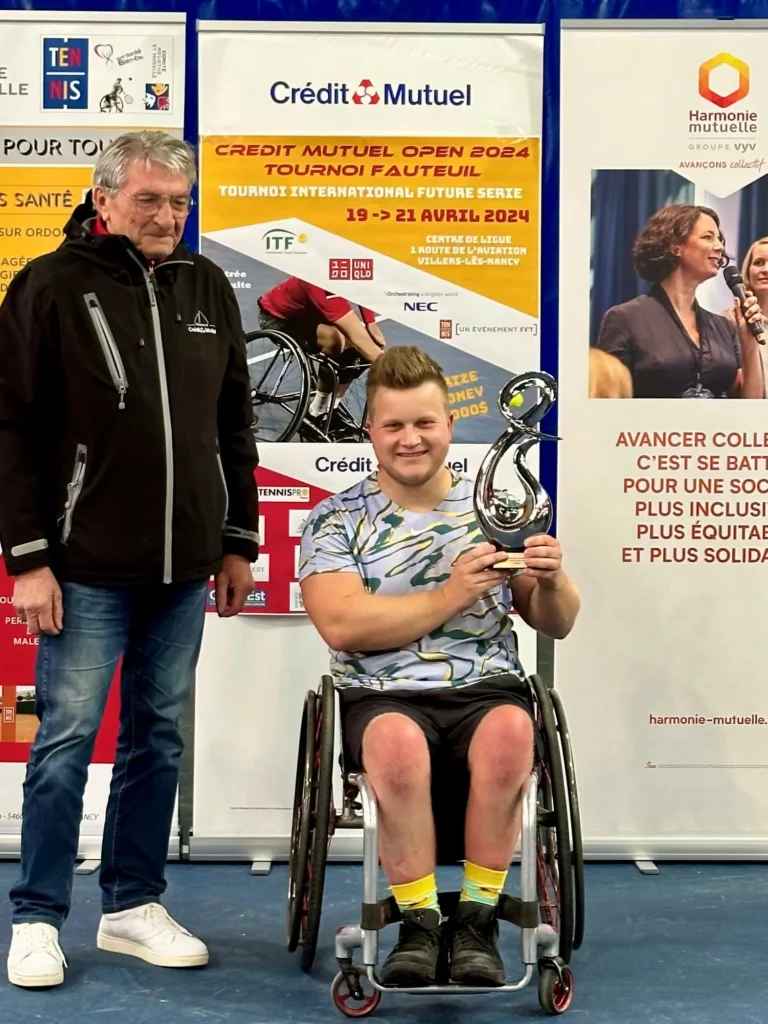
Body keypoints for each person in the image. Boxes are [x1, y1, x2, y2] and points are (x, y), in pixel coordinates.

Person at [0, 130, 260, 988]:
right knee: (68, 740)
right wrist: (28, 558)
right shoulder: (48, 286)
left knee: (160, 737)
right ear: (104, 199)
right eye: (149, 199)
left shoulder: (206, 286)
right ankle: (37, 917)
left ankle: (131, 905)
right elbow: (12, 431)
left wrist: (236, 539)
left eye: (179, 202)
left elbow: (234, 426)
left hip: (185, 569)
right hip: (81, 566)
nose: (166, 216)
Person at [298, 346, 580, 988]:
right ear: (369, 429)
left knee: (514, 733)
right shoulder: (335, 517)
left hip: (485, 686)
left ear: (450, 425)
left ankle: (477, 922)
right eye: (393, 425)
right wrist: (451, 594)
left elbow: (556, 619)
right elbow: (342, 624)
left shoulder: (498, 510)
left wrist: (552, 577)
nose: (410, 439)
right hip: (382, 691)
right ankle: (421, 925)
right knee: (395, 746)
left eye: (424, 422)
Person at [595, 203, 764, 399]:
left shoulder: (724, 327)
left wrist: (749, 344)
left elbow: (749, 404)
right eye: (708, 237)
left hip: (713, 430)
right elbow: (607, 396)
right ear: (674, 246)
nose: (719, 247)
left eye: (719, 239)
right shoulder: (625, 318)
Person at [258, 276, 386, 417]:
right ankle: (317, 410)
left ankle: (333, 408)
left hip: (313, 313)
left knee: (362, 350)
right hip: (279, 319)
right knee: (334, 340)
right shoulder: (318, 282)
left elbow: (363, 287)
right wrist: (397, 369)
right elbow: (359, 338)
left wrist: (370, 322)